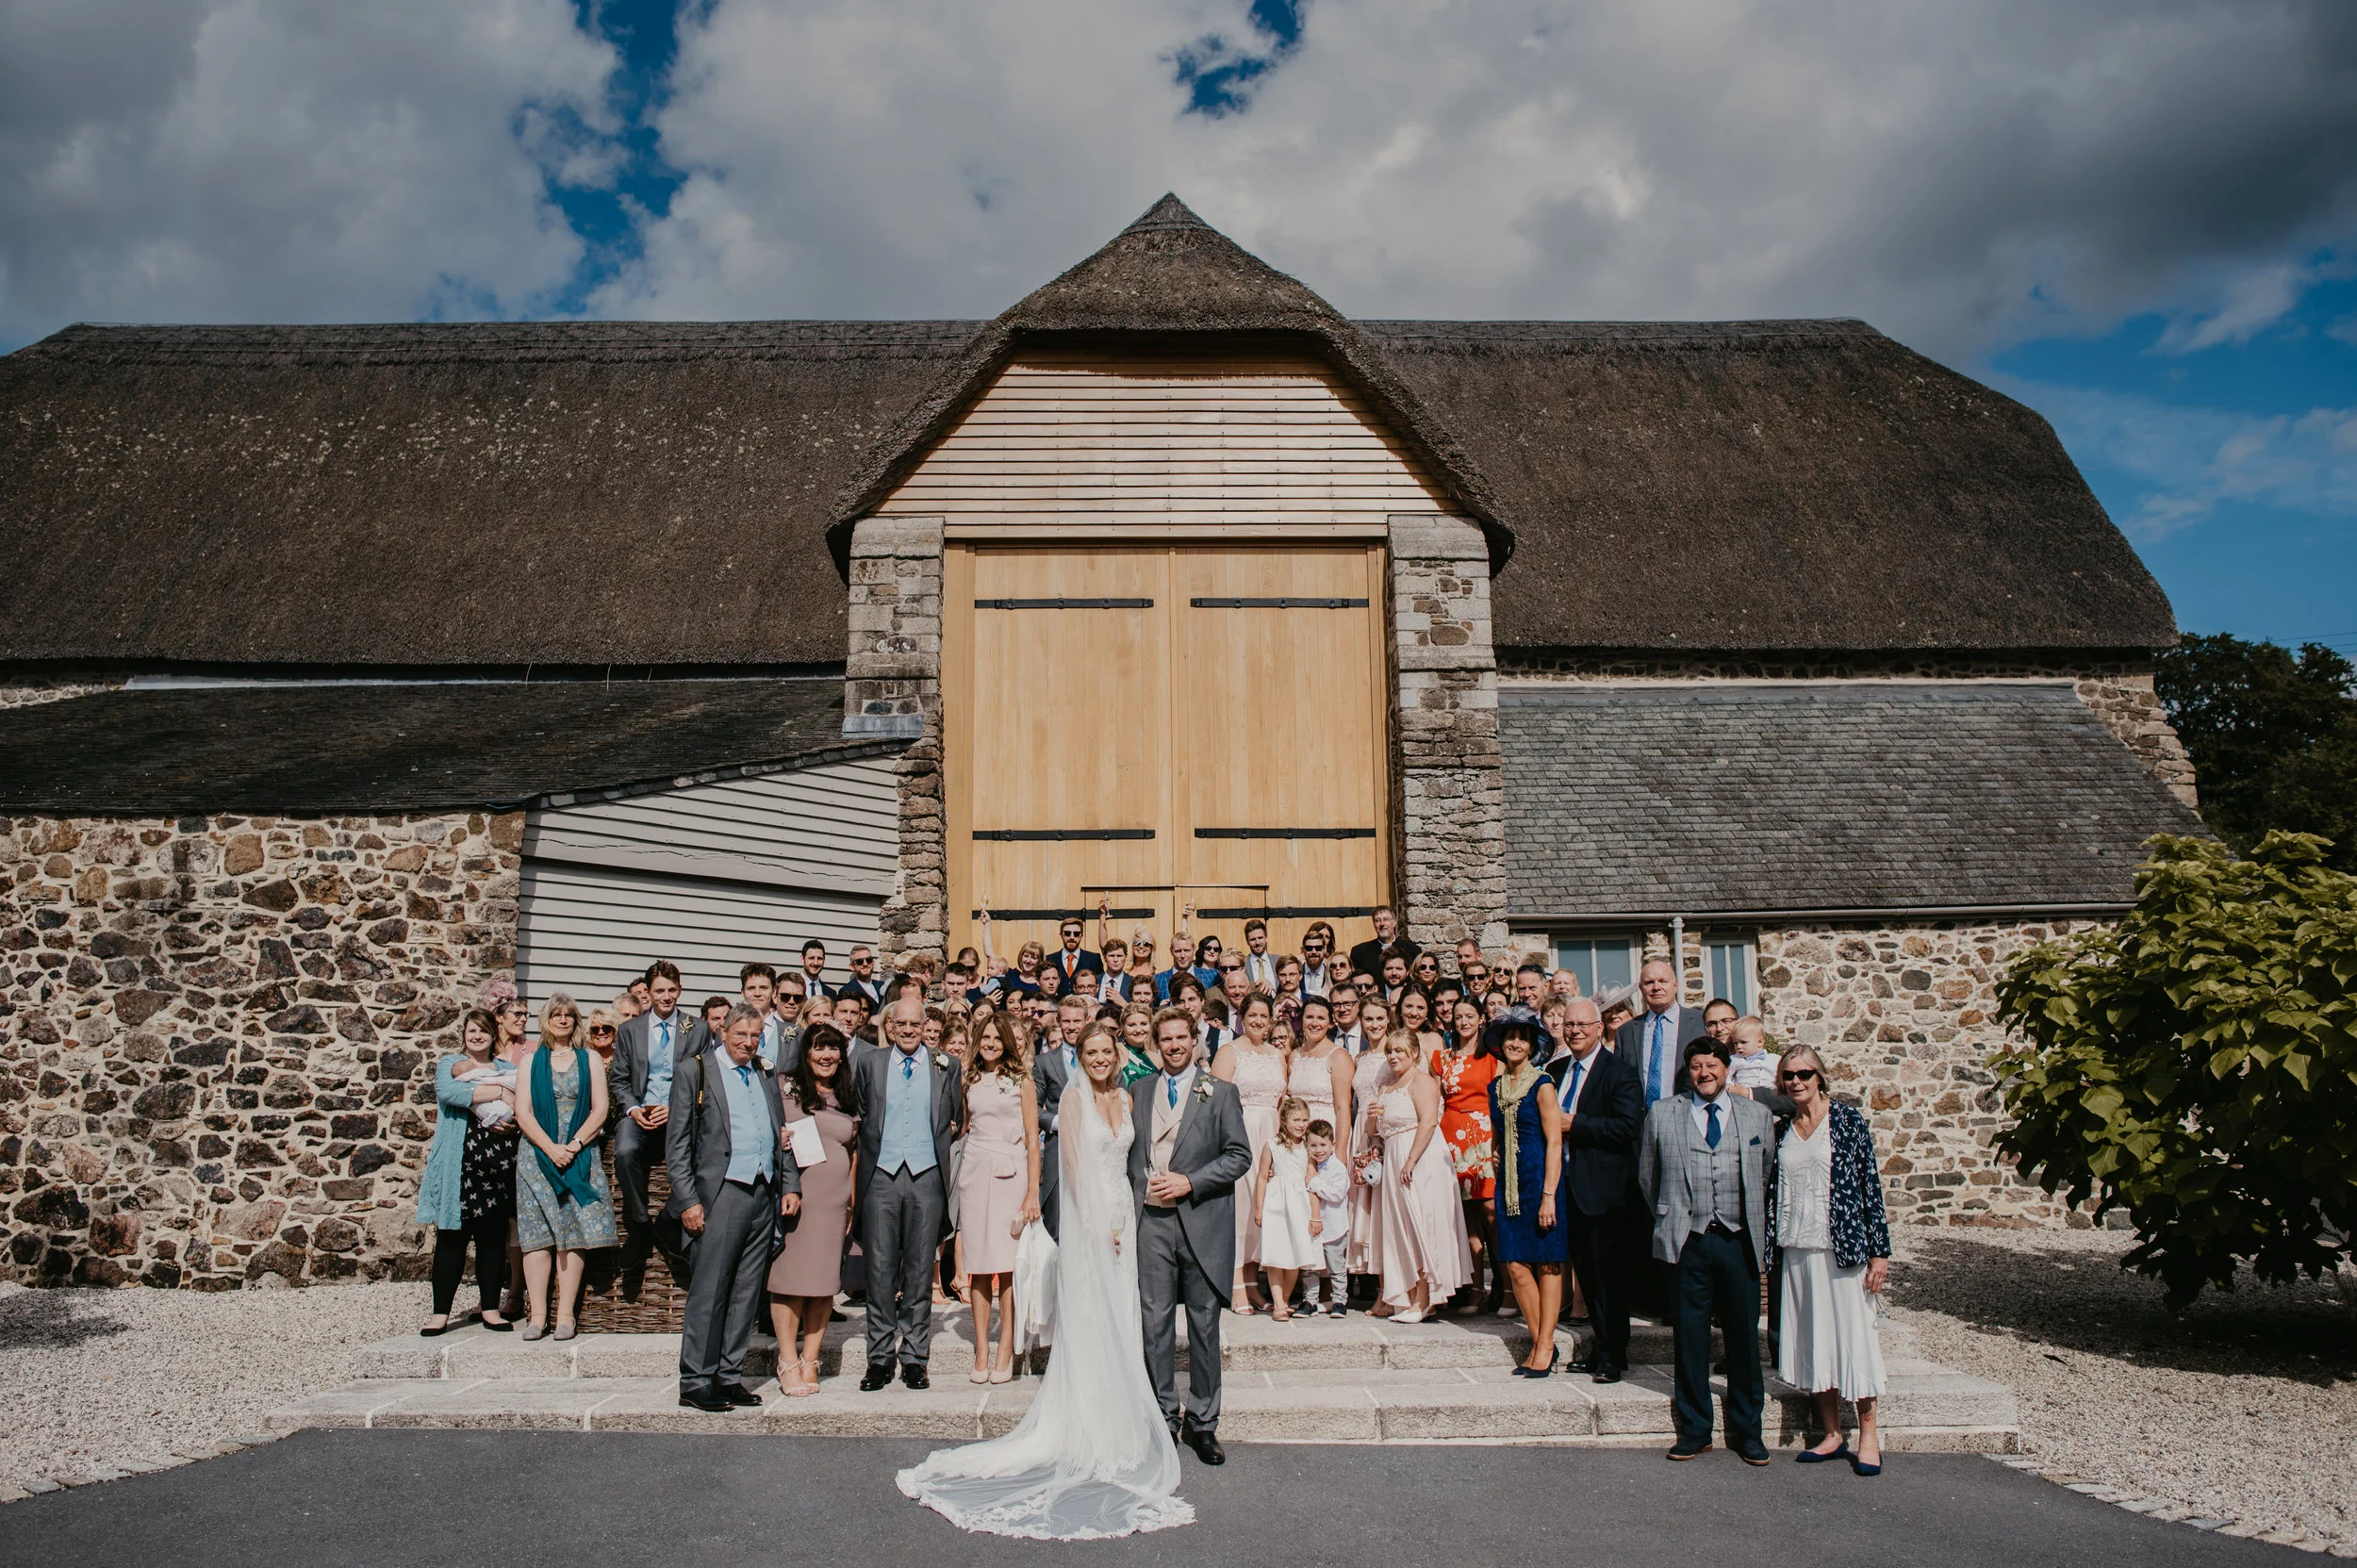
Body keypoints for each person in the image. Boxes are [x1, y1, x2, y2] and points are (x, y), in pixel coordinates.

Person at [898, 1020, 1197, 1540]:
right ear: (1080, 1056)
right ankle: (1089, 1424)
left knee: (1121, 1315)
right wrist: (1101, 1227)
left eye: (1107, 1051)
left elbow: (1133, 1162)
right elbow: (1078, 1173)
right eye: (1092, 1052)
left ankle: (1121, 1419)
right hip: (1093, 1222)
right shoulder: (1077, 1102)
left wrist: (1126, 1221)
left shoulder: (1127, 1100)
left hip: (1126, 1215)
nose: (1101, 1059)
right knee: (1091, 1316)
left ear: (1118, 1055)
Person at [1639, 1035, 1776, 1464]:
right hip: (1688, 1239)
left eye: (1712, 1066)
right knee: (1690, 1339)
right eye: (1697, 1067)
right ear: (1688, 1072)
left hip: (1739, 1239)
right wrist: (1676, 1217)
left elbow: (1765, 1171)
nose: (1705, 1074)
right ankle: (1695, 1429)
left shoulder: (1757, 1114)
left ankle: (1748, 1430)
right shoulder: (1663, 1114)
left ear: (1726, 1068)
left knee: (1743, 1338)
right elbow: (1649, 1176)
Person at [1134, 1009, 1254, 1464]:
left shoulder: (1220, 1093)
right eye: (1166, 1039)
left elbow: (1239, 1155)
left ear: (1195, 1038)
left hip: (1202, 1218)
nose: (1174, 1045)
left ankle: (1202, 1423)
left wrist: (1191, 1181)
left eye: (1182, 1037)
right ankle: (1162, 1416)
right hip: (1152, 1224)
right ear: (1156, 1043)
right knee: (1155, 1322)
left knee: (1204, 1324)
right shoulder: (1139, 1090)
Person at [669, 1004, 801, 1411]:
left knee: (746, 1290)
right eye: (741, 1034)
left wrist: (788, 1181)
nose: (748, 1042)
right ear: (723, 1031)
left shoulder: (763, 1072)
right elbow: (676, 1147)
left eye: (755, 1035)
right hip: (720, 1193)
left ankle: (728, 1376)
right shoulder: (697, 1071)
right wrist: (688, 1200)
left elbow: (782, 1132)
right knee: (710, 1290)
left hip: (763, 1190)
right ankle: (695, 1380)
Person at [1774, 1044, 1892, 1476]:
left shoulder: (1846, 1122)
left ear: (1820, 1076)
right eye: (1789, 1075)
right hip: (1797, 1249)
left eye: (1805, 1073)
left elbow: (1870, 1189)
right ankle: (1831, 1432)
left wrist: (1879, 1251)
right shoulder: (1782, 1127)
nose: (1797, 1081)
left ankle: (1868, 1435)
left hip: (1842, 1250)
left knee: (1853, 1341)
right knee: (1814, 1340)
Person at [852, 991, 964, 1390]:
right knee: (879, 1271)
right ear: (890, 1026)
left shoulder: (946, 1066)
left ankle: (915, 1357)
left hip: (927, 1176)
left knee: (919, 1272)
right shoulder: (869, 1063)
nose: (908, 1030)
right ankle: (879, 1358)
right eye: (901, 1024)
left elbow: (954, 1117)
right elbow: (862, 1112)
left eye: (915, 1024)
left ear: (925, 1027)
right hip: (881, 1176)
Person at [1549, 996, 1643, 1383]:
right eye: (1569, 1026)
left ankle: (1612, 1354)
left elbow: (1627, 1127)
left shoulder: (1619, 1072)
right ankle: (1598, 1346)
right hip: (1565, 1187)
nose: (1574, 1032)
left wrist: (1577, 1124)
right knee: (1585, 1275)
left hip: (1604, 1190)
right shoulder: (1554, 1071)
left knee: (1608, 1278)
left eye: (1582, 1026)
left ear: (1599, 1028)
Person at [513, 993, 615, 1341]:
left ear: (575, 1021)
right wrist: (549, 1148)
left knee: (572, 1234)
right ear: (546, 1020)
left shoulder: (590, 1059)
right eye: (555, 1014)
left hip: (578, 1151)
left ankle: (566, 1316)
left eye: (568, 1015)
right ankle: (537, 1316)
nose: (562, 1020)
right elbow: (522, 1112)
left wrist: (572, 1146)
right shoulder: (530, 1061)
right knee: (536, 1236)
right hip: (537, 1154)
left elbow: (600, 1109)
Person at [768, 1023, 858, 1398]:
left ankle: (811, 1359)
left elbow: (854, 1151)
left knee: (823, 1285)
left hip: (835, 1202)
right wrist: (780, 1135)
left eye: (834, 1049)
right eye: (819, 1048)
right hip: (799, 1197)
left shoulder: (847, 1095)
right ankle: (787, 1360)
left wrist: (852, 1200)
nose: (827, 1056)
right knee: (790, 1281)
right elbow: (771, 1127)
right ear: (806, 1052)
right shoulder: (786, 1086)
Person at [1360, 1029, 1472, 1323]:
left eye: (1400, 1052)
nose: (1394, 1056)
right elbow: (1373, 1133)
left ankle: (1425, 1298)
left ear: (1414, 1055)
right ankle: (1409, 1295)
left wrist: (1410, 1161)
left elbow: (1428, 1122)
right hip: (1395, 1153)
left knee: (1423, 1223)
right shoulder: (1387, 1087)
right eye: (1390, 1052)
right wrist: (1372, 1115)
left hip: (1420, 1156)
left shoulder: (1422, 1082)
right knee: (1402, 1228)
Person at [416, 1008, 515, 1334]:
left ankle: (490, 1309)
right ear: (464, 1034)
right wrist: (500, 1091)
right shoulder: (450, 1064)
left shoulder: (507, 1068)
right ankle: (439, 1314)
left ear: (492, 1035)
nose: (477, 1036)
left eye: (483, 1031)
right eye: (472, 1030)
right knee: (451, 1239)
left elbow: (521, 1101)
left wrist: (503, 1096)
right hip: (459, 1165)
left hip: (496, 1165)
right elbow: (449, 1093)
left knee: (491, 1239)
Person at [957, 1011, 1043, 1384]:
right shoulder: (969, 1079)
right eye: (985, 1037)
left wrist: (1032, 1193)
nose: (990, 1043)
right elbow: (963, 1127)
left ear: (1007, 1041)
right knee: (977, 1264)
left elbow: (1032, 1140)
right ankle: (981, 1348)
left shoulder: (1021, 1080)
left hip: (1012, 1173)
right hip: (975, 1173)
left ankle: (1006, 1345)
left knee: (1006, 1266)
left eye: (997, 1037)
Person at [1484, 1008, 1566, 1376]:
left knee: (1547, 1261)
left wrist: (1549, 1194)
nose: (1515, 1042)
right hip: (1510, 1185)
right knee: (1515, 1265)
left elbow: (1554, 1142)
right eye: (1510, 1037)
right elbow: (1497, 1135)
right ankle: (1540, 1341)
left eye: (1523, 1037)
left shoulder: (1542, 1082)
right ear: (1501, 1045)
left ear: (1532, 1045)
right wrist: (1496, 1154)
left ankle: (1544, 1346)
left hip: (1540, 1181)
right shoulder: (1496, 1087)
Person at [611, 960, 693, 1294]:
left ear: (680, 990)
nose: (666, 996)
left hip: (679, 1113)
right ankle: (641, 1224)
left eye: (672, 990)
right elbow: (619, 1080)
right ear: (649, 992)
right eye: (660, 990)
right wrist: (632, 1109)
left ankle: (669, 1220)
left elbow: (703, 1079)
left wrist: (676, 1108)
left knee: (705, 1152)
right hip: (640, 1113)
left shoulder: (696, 1028)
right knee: (625, 1150)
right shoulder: (631, 1030)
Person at [1209, 992, 1288, 1313]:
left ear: (1271, 1021)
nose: (1258, 1021)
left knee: (1264, 1209)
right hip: (1240, 1133)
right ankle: (1235, 1282)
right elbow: (1214, 1101)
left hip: (1270, 1134)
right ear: (1241, 1018)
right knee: (1241, 1208)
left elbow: (1282, 1101)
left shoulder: (1277, 1054)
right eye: (1252, 1015)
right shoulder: (1229, 1051)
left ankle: (1254, 1283)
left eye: (1264, 1016)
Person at [1432, 995, 1501, 1315]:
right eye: (1458, 1016)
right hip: (1451, 1139)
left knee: (1491, 1214)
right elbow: (1434, 1101)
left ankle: (1508, 1287)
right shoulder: (1441, 1058)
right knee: (1466, 1219)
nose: (1463, 1021)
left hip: (1484, 1139)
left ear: (1481, 1019)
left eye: (1469, 1015)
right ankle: (1475, 1290)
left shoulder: (1492, 1058)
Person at [1251, 1097, 1318, 1323]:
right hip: (1276, 1203)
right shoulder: (1272, 1145)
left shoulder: (1309, 1146)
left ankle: (1286, 1299)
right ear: (1284, 1120)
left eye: (1305, 1119)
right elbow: (1261, 1177)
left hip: (1300, 1205)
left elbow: (1312, 1176)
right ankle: (1277, 1303)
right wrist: (1259, 1207)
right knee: (1276, 1254)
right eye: (1296, 1119)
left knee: (1295, 1255)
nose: (1301, 1124)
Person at [1618, 959, 1708, 1108]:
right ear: (1641, 989)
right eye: (1649, 983)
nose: (1656, 987)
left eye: (1663, 981)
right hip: (1641, 1122)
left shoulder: (1699, 1022)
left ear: (1676, 985)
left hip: (1688, 1115)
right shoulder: (1626, 1032)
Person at [1033, 992, 1087, 1239]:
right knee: (1057, 1223)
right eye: (1067, 1021)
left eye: (1077, 1021)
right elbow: (1032, 1107)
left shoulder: (1101, 1056)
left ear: (1086, 1022)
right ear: (1059, 1022)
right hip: (1058, 1149)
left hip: (1093, 1149)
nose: (1072, 1027)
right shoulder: (1044, 1062)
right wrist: (1056, 1123)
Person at [1302, 1119, 1351, 1316]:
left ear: (1332, 1144)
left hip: (1334, 1228)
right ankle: (1310, 1301)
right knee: (1310, 1267)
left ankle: (1339, 1301)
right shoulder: (1308, 1166)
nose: (1318, 1150)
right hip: (1313, 1228)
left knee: (1336, 1267)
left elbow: (1336, 1194)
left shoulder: (1338, 1169)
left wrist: (1313, 1183)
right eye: (1313, 1145)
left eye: (1323, 1145)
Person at [1347, 905, 1421, 983]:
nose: (1382, 924)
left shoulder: (1413, 950)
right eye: (1377, 920)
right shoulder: (1360, 952)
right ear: (1373, 924)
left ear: (1394, 922)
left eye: (1386, 919)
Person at [1045, 915, 1103, 996]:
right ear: (1061, 934)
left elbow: (1099, 988)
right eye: (1067, 933)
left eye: (1076, 934)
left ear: (1081, 936)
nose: (1072, 937)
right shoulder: (1049, 959)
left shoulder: (1093, 959)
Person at [1729, 1015, 1782, 1094]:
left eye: (1743, 1042)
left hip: (1770, 1095)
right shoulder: (1735, 1059)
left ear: (1760, 1042)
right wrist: (1729, 1085)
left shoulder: (1774, 1059)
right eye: (1735, 1043)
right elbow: (1725, 1073)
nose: (1738, 1046)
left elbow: (1783, 1074)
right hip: (1746, 1095)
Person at [1241, 917, 1277, 992]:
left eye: (1260, 938)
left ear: (1266, 938)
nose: (1257, 942)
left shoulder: (1278, 960)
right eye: (1253, 939)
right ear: (1247, 941)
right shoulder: (1242, 964)